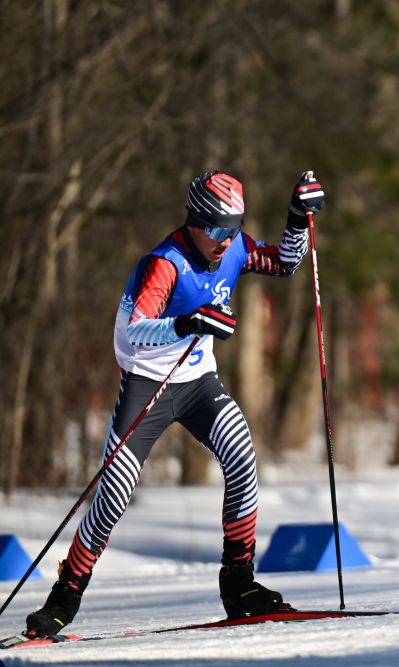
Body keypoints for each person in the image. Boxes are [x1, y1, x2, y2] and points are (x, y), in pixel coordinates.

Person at [23, 169, 327, 639]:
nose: (227, 240)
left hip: (198, 382)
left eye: (234, 227)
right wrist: (188, 323)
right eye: (219, 229)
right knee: (116, 493)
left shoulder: (235, 247)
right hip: (148, 384)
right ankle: (63, 599)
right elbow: (137, 330)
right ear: (195, 221)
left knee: (243, 458)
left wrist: (296, 215)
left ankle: (239, 586)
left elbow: (286, 263)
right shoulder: (164, 263)